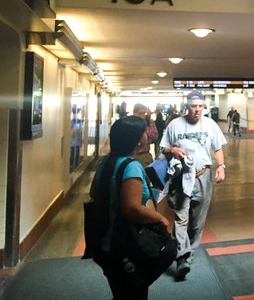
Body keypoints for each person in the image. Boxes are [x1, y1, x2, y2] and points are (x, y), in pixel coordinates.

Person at [92, 115, 171, 299]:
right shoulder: (131, 166)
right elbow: (132, 208)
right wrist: (161, 218)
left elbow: (95, 193)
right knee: (134, 292)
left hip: (106, 241)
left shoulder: (105, 162)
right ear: (136, 139)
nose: (147, 135)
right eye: (144, 132)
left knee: (121, 291)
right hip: (126, 243)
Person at [160, 90, 227, 280]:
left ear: (204, 107)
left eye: (200, 106)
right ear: (187, 106)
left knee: (197, 222)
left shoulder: (210, 124)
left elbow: (218, 148)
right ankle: (183, 258)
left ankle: (188, 251)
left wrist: (221, 166)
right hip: (181, 178)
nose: (197, 110)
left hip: (202, 176)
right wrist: (173, 149)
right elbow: (163, 147)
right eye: (193, 106)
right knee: (181, 218)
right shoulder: (175, 125)